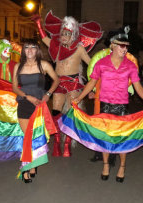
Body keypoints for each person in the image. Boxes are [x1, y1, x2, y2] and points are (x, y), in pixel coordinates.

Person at [73, 26, 143, 183]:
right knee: (105, 137)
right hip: (105, 104)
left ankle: (122, 166)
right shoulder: (101, 64)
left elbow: (138, 87)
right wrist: (79, 98)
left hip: (122, 106)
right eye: (121, 45)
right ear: (113, 45)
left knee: (121, 138)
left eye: (127, 46)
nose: (125, 49)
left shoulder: (131, 66)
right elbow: (92, 83)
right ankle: (105, 165)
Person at [32, 11, 103, 157]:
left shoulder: (79, 48)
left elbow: (91, 66)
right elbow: (44, 38)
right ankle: (57, 141)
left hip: (73, 82)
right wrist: (38, 24)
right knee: (56, 113)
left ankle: (67, 144)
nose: (63, 37)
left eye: (67, 34)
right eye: (62, 34)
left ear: (73, 35)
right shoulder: (56, 46)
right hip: (59, 81)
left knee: (71, 114)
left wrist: (98, 79)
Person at [12, 39, 59, 183]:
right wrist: (27, 97)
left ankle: (33, 164)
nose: (30, 50)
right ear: (23, 50)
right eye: (27, 47)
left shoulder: (44, 65)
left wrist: (48, 94)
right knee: (27, 137)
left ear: (37, 50)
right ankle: (26, 168)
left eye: (33, 47)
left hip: (39, 105)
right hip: (24, 104)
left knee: (35, 137)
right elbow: (15, 88)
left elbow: (56, 80)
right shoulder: (18, 66)